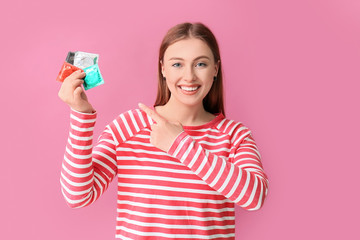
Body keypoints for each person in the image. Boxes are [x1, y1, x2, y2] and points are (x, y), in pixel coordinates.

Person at [58, 22, 269, 240]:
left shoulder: (235, 136)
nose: (189, 77)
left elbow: (254, 197)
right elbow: (78, 196)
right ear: (163, 68)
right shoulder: (129, 126)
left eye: (201, 64)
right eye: (177, 64)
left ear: (215, 69)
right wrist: (81, 116)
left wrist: (179, 144)